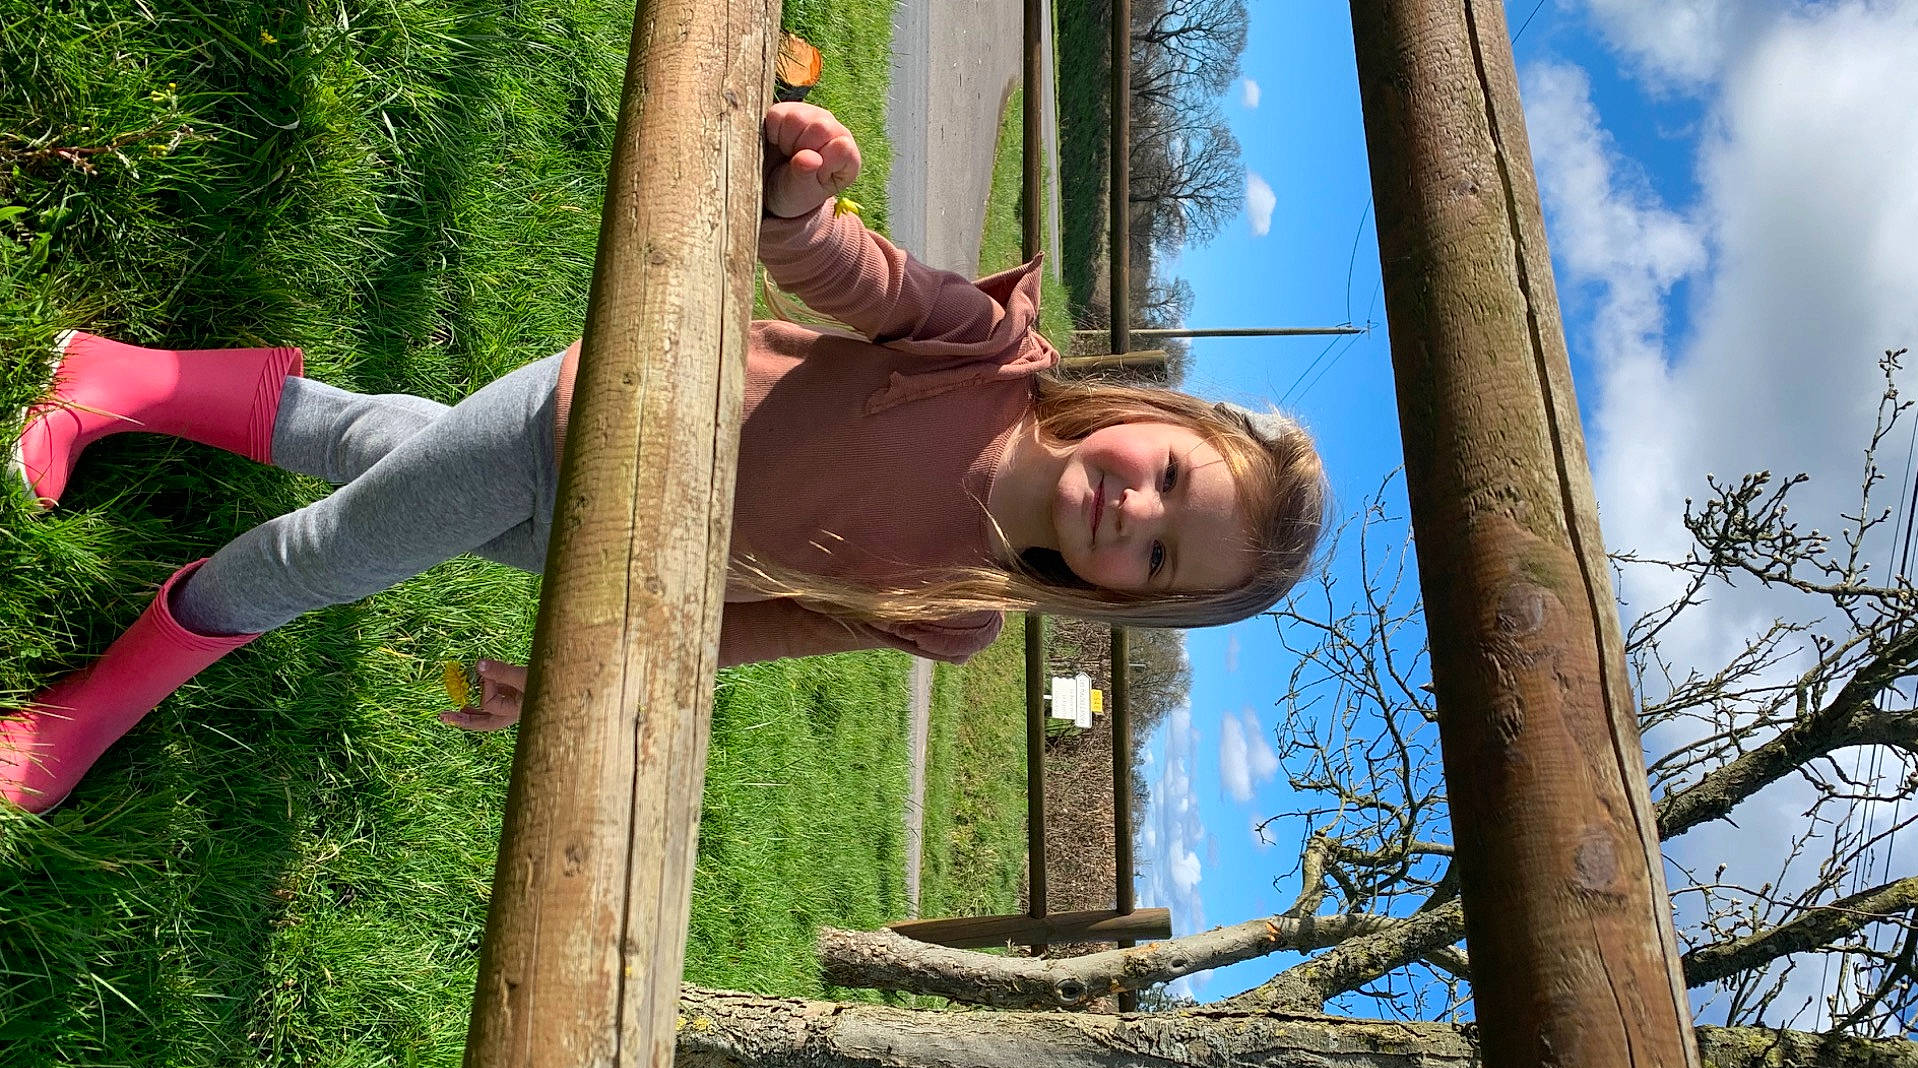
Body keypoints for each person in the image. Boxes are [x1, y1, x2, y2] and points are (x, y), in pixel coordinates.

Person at [2, 104, 1327, 811]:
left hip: (601, 545)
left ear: (1129, 601)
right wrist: (800, 206)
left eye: (1158, 561)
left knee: (375, 445)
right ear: (1167, 423)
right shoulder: (992, 353)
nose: (1133, 513)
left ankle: (116, 379)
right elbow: (861, 283)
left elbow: (743, 633)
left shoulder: (959, 620)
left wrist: (571, 679)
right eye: (1171, 480)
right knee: (339, 551)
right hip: (585, 413)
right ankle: (91, 709)